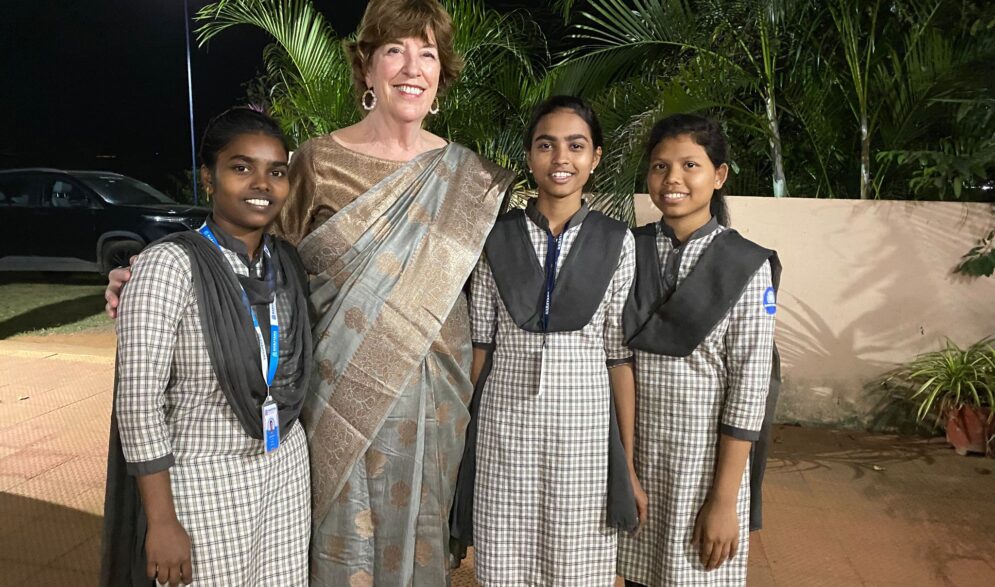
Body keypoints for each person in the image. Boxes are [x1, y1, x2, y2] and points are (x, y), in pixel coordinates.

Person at [104, 2, 512, 585]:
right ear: (367, 68)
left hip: (435, 402)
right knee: (333, 546)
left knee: (418, 541)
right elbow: (247, 240)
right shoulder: (319, 160)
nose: (411, 67)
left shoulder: (469, 178)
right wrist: (157, 266)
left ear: (442, 74)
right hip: (334, 395)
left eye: (428, 53)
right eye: (394, 49)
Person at [100, 108, 312, 587]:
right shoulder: (168, 266)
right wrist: (162, 522)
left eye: (275, 172)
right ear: (208, 177)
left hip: (285, 476)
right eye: (242, 167)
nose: (261, 183)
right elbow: (137, 404)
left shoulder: (288, 264)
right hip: (203, 481)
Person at [453, 96, 646, 586]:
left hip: (583, 430)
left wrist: (627, 462)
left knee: (577, 562)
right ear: (530, 155)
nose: (561, 159)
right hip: (504, 427)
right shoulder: (497, 237)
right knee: (505, 560)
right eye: (547, 145)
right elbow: (481, 345)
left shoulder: (617, 240)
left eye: (575, 146)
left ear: (595, 157)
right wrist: (462, 443)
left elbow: (618, 358)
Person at [617, 114, 780, 587]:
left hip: (705, 468)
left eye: (690, 165)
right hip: (638, 461)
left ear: (719, 175)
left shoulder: (746, 266)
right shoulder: (629, 251)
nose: (673, 180)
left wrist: (725, 500)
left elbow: (750, 388)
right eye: (660, 167)